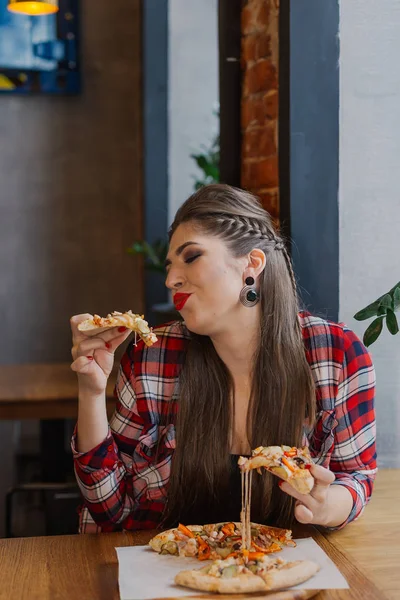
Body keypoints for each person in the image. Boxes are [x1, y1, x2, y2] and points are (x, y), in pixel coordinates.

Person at [70, 184, 377, 534]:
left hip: (283, 570)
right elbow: (112, 511)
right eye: (170, 266)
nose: (171, 279)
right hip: (164, 571)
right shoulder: (152, 356)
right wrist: (90, 393)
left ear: (252, 264)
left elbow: (356, 478)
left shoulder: (336, 354)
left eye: (191, 257)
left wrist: (327, 505)